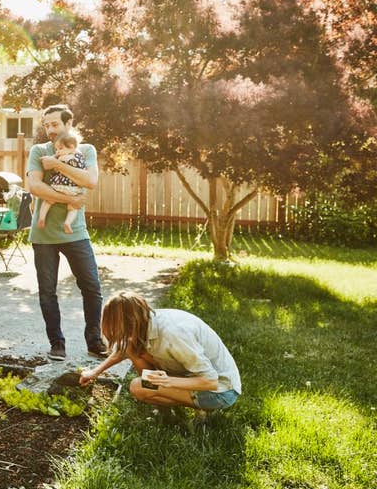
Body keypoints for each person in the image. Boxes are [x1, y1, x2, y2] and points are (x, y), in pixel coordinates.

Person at [26, 104, 105, 361]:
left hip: (76, 232)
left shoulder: (86, 150)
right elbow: (35, 186)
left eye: (54, 124)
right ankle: (56, 342)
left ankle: (94, 340)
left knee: (92, 287)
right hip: (44, 235)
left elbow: (90, 181)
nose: (49, 130)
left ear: (68, 123)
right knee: (47, 291)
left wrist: (58, 166)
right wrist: (71, 199)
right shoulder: (38, 151)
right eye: (46, 125)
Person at [79, 291, 241, 412]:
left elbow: (210, 381)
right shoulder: (146, 320)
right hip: (191, 376)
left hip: (220, 392)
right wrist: (95, 372)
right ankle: (165, 398)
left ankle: (195, 408)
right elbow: (123, 350)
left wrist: (167, 382)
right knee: (133, 348)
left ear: (131, 323)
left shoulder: (174, 334)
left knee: (138, 387)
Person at [37, 132, 86, 234]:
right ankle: (67, 223)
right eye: (56, 149)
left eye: (60, 149)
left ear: (71, 147)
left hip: (59, 186)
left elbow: (54, 162)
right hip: (73, 190)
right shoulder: (79, 156)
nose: (58, 151)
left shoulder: (67, 157)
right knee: (73, 208)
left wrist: (51, 158)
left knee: (48, 201)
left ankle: (42, 218)